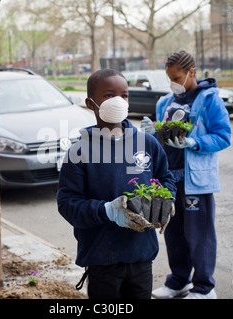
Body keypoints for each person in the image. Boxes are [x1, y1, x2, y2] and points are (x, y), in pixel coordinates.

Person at [57, 69, 177, 299]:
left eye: (124, 95)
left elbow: (166, 179)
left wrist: (166, 200)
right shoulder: (79, 152)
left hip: (142, 254)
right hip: (102, 257)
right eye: (109, 95)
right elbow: (67, 204)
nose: (119, 101)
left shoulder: (147, 143)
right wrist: (107, 211)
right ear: (91, 103)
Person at [141, 50, 231, 299]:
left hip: (196, 182)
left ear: (192, 72)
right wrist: (151, 134)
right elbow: (161, 139)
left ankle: (204, 288)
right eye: (169, 77)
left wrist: (194, 142)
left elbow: (223, 136)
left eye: (177, 77)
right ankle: (178, 281)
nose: (173, 82)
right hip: (170, 180)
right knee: (174, 234)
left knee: (199, 235)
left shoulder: (209, 99)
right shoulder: (164, 102)